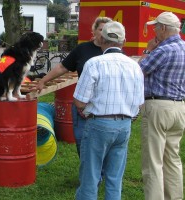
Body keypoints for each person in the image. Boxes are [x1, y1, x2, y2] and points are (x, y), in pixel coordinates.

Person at [73, 21, 144, 200]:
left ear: (101, 39)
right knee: (114, 178)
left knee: (90, 176)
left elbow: (79, 101)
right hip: (124, 124)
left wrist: (88, 111)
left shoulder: (94, 63)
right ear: (124, 41)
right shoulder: (135, 66)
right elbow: (139, 104)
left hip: (98, 122)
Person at [36, 17, 112, 157]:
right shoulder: (83, 49)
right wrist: (43, 81)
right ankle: (88, 172)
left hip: (104, 105)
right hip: (82, 105)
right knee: (82, 142)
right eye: (100, 29)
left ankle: (98, 173)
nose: (103, 33)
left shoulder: (112, 52)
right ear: (94, 31)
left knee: (102, 143)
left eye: (107, 30)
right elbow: (62, 67)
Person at [138, 12, 185, 200]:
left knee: (153, 161)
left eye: (156, 27)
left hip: (158, 106)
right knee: (172, 159)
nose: (154, 30)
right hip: (179, 107)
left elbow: (139, 71)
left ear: (163, 28)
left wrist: (148, 50)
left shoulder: (163, 51)